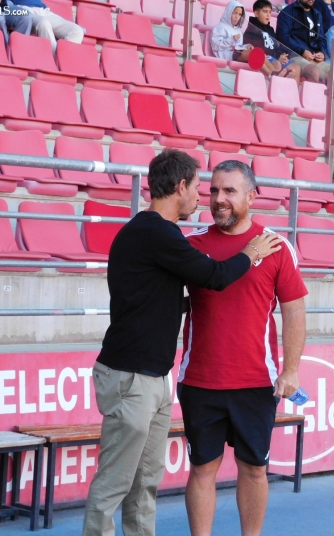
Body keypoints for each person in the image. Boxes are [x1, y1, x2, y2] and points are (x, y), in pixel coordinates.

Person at [82, 150, 282, 536]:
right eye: (198, 188)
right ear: (179, 187)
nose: (201, 199)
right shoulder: (155, 232)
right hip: (130, 377)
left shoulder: (157, 235)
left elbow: (161, 297)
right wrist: (251, 254)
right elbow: (216, 275)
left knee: (144, 484)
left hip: (153, 378)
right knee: (114, 483)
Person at [179, 159, 307, 536]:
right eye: (214, 190)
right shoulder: (190, 246)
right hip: (200, 381)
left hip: (255, 382)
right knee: (202, 468)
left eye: (229, 191)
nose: (219, 199)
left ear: (252, 197)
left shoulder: (278, 248)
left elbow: (294, 311)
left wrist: (291, 369)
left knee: (254, 468)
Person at [277, 0, 334, 84]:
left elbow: (321, 39)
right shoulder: (287, 12)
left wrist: (322, 53)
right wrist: (302, 51)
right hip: (295, 55)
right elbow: (283, 36)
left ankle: (326, 96)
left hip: (314, 57)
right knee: (313, 72)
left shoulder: (317, 14)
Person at [244, 0, 303, 83]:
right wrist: (278, 58)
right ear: (256, 13)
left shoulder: (270, 30)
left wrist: (282, 55)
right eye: (265, 12)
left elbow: (276, 47)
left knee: (296, 67)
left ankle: (293, 94)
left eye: (270, 12)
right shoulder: (252, 28)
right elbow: (256, 49)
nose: (268, 15)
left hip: (274, 58)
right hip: (266, 58)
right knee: (277, 63)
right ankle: (277, 84)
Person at [9, 0, 84, 52]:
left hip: (43, 10)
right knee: (44, 23)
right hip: (22, 9)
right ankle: (53, 59)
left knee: (77, 31)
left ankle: (63, 60)